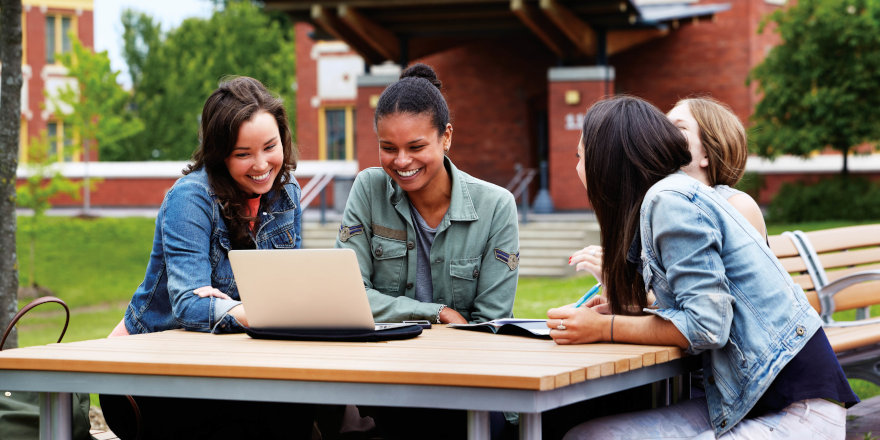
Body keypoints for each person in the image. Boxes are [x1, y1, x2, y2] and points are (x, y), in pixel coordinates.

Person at [548, 96, 857, 439]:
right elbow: (701, 306)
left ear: (607, 162)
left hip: (798, 410)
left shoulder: (669, 200)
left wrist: (603, 329)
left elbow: (707, 327)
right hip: (747, 398)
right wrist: (637, 310)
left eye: (580, 156)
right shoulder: (666, 198)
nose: (577, 168)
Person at [101, 76, 314, 439]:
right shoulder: (191, 199)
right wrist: (253, 311)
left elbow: (284, 294)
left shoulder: (286, 192)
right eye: (243, 154)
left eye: (270, 147)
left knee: (301, 409)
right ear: (220, 155)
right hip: (144, 376)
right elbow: (189, 306)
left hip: (225, 367)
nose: (262, 164)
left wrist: (242, 309)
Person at [334, 63, 519, 439]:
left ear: (446, 136)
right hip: (383, 380)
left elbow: (486, 328)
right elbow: (347, 297)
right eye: (388, 148)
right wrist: (435, 313)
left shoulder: (496, 206)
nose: (401, 162)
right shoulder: (368, 189)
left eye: (416, 147)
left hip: (464, 387)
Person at [569, 96, 766, 282]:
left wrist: (619, 285)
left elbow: (720, 305)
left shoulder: (736, 206)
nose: (662, 136)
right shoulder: (658, 204)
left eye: (677, 128)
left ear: (707, 152)